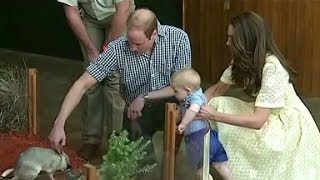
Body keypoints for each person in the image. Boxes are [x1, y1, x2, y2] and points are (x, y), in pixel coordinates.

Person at [48, 8, 191, 167]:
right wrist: (59, 123)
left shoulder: (178, 39)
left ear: (154, 35)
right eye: (130, 41)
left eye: (138, 43)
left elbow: (183, 86)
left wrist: (144, 96)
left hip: (173, 104)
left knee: (179, 154)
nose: (132, 48)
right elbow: (82, 84)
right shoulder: (118, 48)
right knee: (140, 166)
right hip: (136, 113)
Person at [198, 11, 320, 179]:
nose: (227, 43)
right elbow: (217, 90)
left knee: (218, 112)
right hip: (266, 115)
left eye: (232, 38)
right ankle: (216, 162)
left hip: (287, 126)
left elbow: (258, 121)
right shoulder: (241, 61)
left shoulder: (272, 68)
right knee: (216, 102)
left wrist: (214, 115)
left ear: (246, 41)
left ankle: (229, 167)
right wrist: (195, 105)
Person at [57, 0, 135, 160]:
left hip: (120, 14)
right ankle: (91, 140)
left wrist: (108, 48)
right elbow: (71, 13)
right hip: (91, 18)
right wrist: (91, 49)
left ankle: (117, 144)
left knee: (114, 80)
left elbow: (123, 9)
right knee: (92, 76)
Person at [171, 67, 232, 180]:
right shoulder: (192, 97)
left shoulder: (195, 98)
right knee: (220, 166)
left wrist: (183, 123)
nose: (174, 94)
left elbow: (194, 109)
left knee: (200, 172)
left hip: (198, 139)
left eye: (176, 91)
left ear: (188, 90)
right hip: (210, 137)